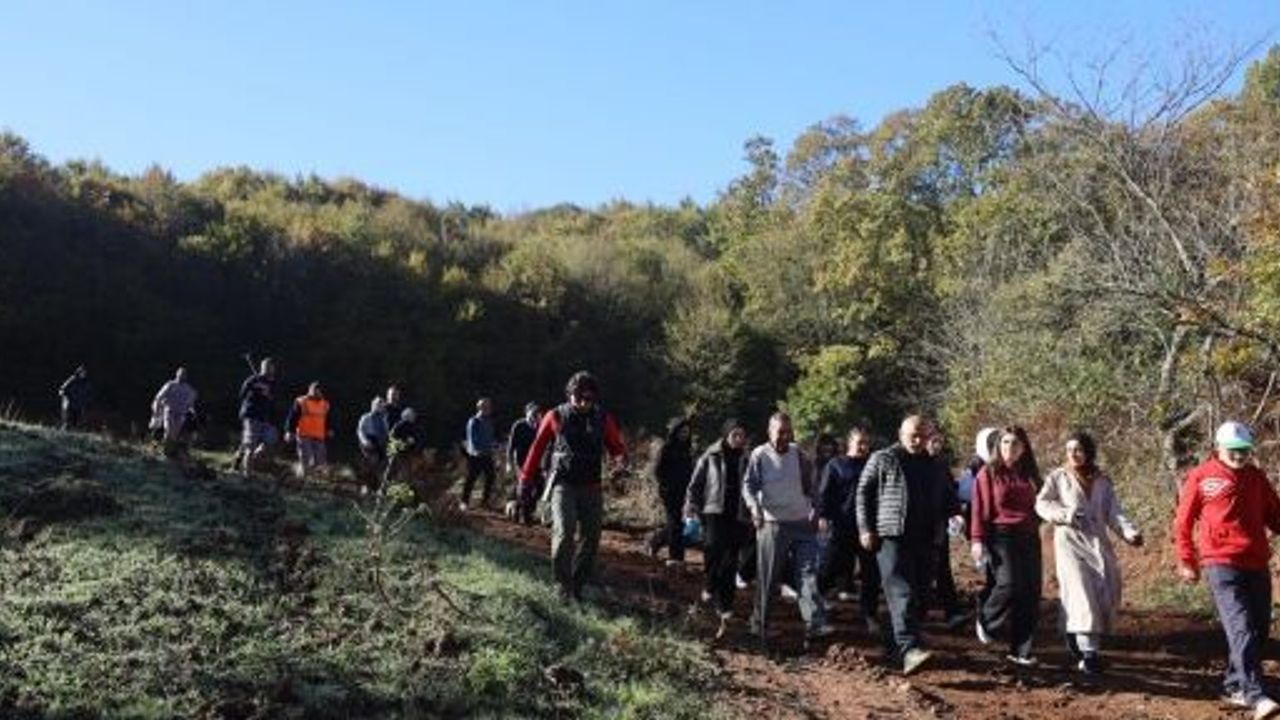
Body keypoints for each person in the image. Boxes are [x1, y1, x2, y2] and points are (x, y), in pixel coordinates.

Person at [1175, 421, 1280, 718]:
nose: (1239, 455)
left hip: (1256, 562)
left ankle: (1235, 684)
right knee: (1241, 628)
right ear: (1218, 448)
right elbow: (1183, 522)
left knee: (1258, 629)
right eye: (1233, 450)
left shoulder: (1256, 477)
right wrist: (1186, 560)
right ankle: (1255, 695)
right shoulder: (1201, 476)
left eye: (1244, 450)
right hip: (1220, 563)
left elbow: (1275, 515)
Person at [1036, 430, 1142, 675]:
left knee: (1105, 590)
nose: (1073, 454)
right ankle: (1089, 655)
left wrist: (1129, 532)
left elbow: (1114, 512)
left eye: (1079, 449)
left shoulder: (1102, 480)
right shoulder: (1058, 477)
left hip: (1097, 543)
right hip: (1070, 543)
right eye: (1069, 450)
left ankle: (1074, 635)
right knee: (1081, 594)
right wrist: (1064, 515)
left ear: (1089, 452)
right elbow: (1041, 503)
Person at [856, 415, 952, 675]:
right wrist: (865, 529)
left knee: (921, 598)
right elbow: (863, 493)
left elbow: (946, 496)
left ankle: (892, 646)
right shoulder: (884, 458)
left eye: (923, 435)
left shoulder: (935, 463)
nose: (918, 441)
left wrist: (954, 515)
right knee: (903, 593)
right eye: (913, 435)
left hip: (924, 537)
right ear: (901, 434)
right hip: (890, 536)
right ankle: (909, 650)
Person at [520, 371, 627, 602]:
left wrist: (620, 464)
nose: (583, 402)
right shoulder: (555, 415)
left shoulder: (602, 418)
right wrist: (525, 480)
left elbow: (617, 447)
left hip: (592, 485)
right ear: (570, 395)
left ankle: (577, 586)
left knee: (592, 537)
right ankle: (561, 585)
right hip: (563, 484)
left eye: (588, 398)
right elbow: (537, 448)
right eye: (578, 397)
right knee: (565, 530)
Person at [743, 411, 831, 648]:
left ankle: (815, 623)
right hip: (773, 523)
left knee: (808, 573)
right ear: (769, 432)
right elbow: (748, 486)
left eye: (788, 431)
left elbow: (812, 487)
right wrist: (754, 509)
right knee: (769, 576)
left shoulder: (799, 455)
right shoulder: (759, 455)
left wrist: (816, 510)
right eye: (780, 431)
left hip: (802, 522)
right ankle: (759, 624)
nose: (784, 436)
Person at [971, 425, 1043, 666]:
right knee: (1010, 584)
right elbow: (979, 510)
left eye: (1015, 444)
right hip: (1001, 535)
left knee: (1030, 592)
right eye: (1005, 443)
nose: (1009, 448)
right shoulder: (987, 473)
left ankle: (1020, 650)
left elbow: (1043, 505)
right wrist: (978, 540)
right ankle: (987, 619)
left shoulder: (1031, 475)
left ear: (1024, 448)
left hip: (1029, 536)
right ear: (997, 446)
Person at [685, 418, 750, 639]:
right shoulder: (710, 456)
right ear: (726, 435)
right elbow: (695, 485)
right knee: (713, 553)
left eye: (742, 436)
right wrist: (691, 504)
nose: (739, 440)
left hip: (738, 516)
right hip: (713, 512)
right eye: (735, 435)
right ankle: (709, 587)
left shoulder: (748, 459)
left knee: (730, 562)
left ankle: (726, 606)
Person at [817, 428, 870, 609]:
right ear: (849, 443)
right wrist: (822, 515)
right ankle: (818, 597)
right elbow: (824, 493)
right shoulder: (836, 464)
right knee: (831, 563)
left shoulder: (871, 465)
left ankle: (865, 607)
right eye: (859, 443)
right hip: (840, 522)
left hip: (864, 526)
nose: (863, 447)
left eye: (866, 443)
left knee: (867, 567)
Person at [925, 429, 969, 630]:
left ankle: (952, 612)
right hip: (914, 527)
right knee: (920, 572)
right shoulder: (910, 462)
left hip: (938, 523)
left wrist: (956, 512)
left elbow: (949, 490)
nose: (936, 445)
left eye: (939, 442)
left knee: (943, 568)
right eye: (933, 441)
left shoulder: (941, 464)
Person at [647, 417, 694, 566]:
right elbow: (657, 470)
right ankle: (676, 557)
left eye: (687, 432)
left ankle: (655, 541)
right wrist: (665, 486)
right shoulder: (667, 448)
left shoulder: (688, 449)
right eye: (682, 431)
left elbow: (691, 471)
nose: (684, 434)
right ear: (675, 432)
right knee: (675, 523)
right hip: (669, 492)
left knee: (676, 524)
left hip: (685, 492)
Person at [235, 358, 278, 476]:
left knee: (269, 441)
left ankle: (240, 455)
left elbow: (273, 399)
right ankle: (247, 474)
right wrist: (256, 390)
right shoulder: (253, 379)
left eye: (271, 367)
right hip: (251, 414)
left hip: (264, 417)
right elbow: (242, 394)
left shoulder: (273, 383)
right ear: (262, 367)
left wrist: (268, 394)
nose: (269, 369)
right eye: (267, 366)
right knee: (251, 445)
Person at [284, 381, 333, 478]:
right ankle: (303, 477)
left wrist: (329, 429)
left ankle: (309, 475)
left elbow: (328, 419)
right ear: (309, 390)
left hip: (319, 435)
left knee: (320, 460)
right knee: (305, 457)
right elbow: (292, 418)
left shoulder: (325, 404)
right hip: (304, 434)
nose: (317, 392)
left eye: (319, 391)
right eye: (314, 390)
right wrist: (289, 431)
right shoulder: (301, 401)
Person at [506, 402, 544, 524]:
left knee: (540, 487)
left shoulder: (540, 427)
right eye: (532, 413)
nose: (534, 416)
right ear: (526, 413)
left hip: (536, 462)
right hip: (520, 461)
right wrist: (509, 462)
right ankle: (526, 516)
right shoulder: (519, 425)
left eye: (537, 414)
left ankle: (520, 507)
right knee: (525, 488)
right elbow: (511, 446)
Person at [461, 397, 499, 511]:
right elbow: (472, 439)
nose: (488, 409)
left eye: (489, 406)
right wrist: (478, 449)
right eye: (486, 406)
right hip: (475, 456)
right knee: (471, 479)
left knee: (490, 477)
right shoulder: (474, 421)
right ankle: (464, 502)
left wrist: (495, 445)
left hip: (487, 455)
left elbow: (490, 437)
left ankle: (485, 502)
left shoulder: (489, 422)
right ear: (479, 407)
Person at [151, 367, 198, 451]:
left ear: (186, 376)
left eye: (183, 375)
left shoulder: (188, 389)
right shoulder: (170, 385)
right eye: (180, 374)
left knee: (175, 434)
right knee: (169, 430)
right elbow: (159, 397)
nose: (181, 376)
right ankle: (165, 449)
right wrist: (157, 410)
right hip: (169, 411)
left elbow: (190, 403)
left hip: (180, 414)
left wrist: (192, 411)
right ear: (177, 374)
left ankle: (168, 450)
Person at [385, 407, 422, 486]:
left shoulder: (412, 426)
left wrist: (413, 443)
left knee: (407, 470)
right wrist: (404, 441)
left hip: (406, 452)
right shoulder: (399, 425)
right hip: (397, 451)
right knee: (393, 470)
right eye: (412, 416)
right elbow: (392, 437)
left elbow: (416, 438)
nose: (414, 417)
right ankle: (386, 486)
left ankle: (406, 485)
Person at [58, 365, 92, 431]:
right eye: (82, 372)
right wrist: (65, 396)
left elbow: (90, 394)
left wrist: (87, 400)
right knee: (67, 422)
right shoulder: (72, 379)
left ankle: (73, 434)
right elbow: (62, 389)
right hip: (69, 405)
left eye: (85, 373)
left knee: (76, 423)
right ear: (78, 372)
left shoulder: (86, 383)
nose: (84, 374)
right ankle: (63, 431)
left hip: (78, 406)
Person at [357, 397, 390, 463]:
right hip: (368, 441)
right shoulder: (366, 417)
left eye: (381, 406)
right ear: (373, 406)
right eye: (378, 405)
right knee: (372, 457)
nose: (379, 408)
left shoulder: (383, 419)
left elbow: (386, 432)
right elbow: (360, 431)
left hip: (379, 442)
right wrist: (365, 441)